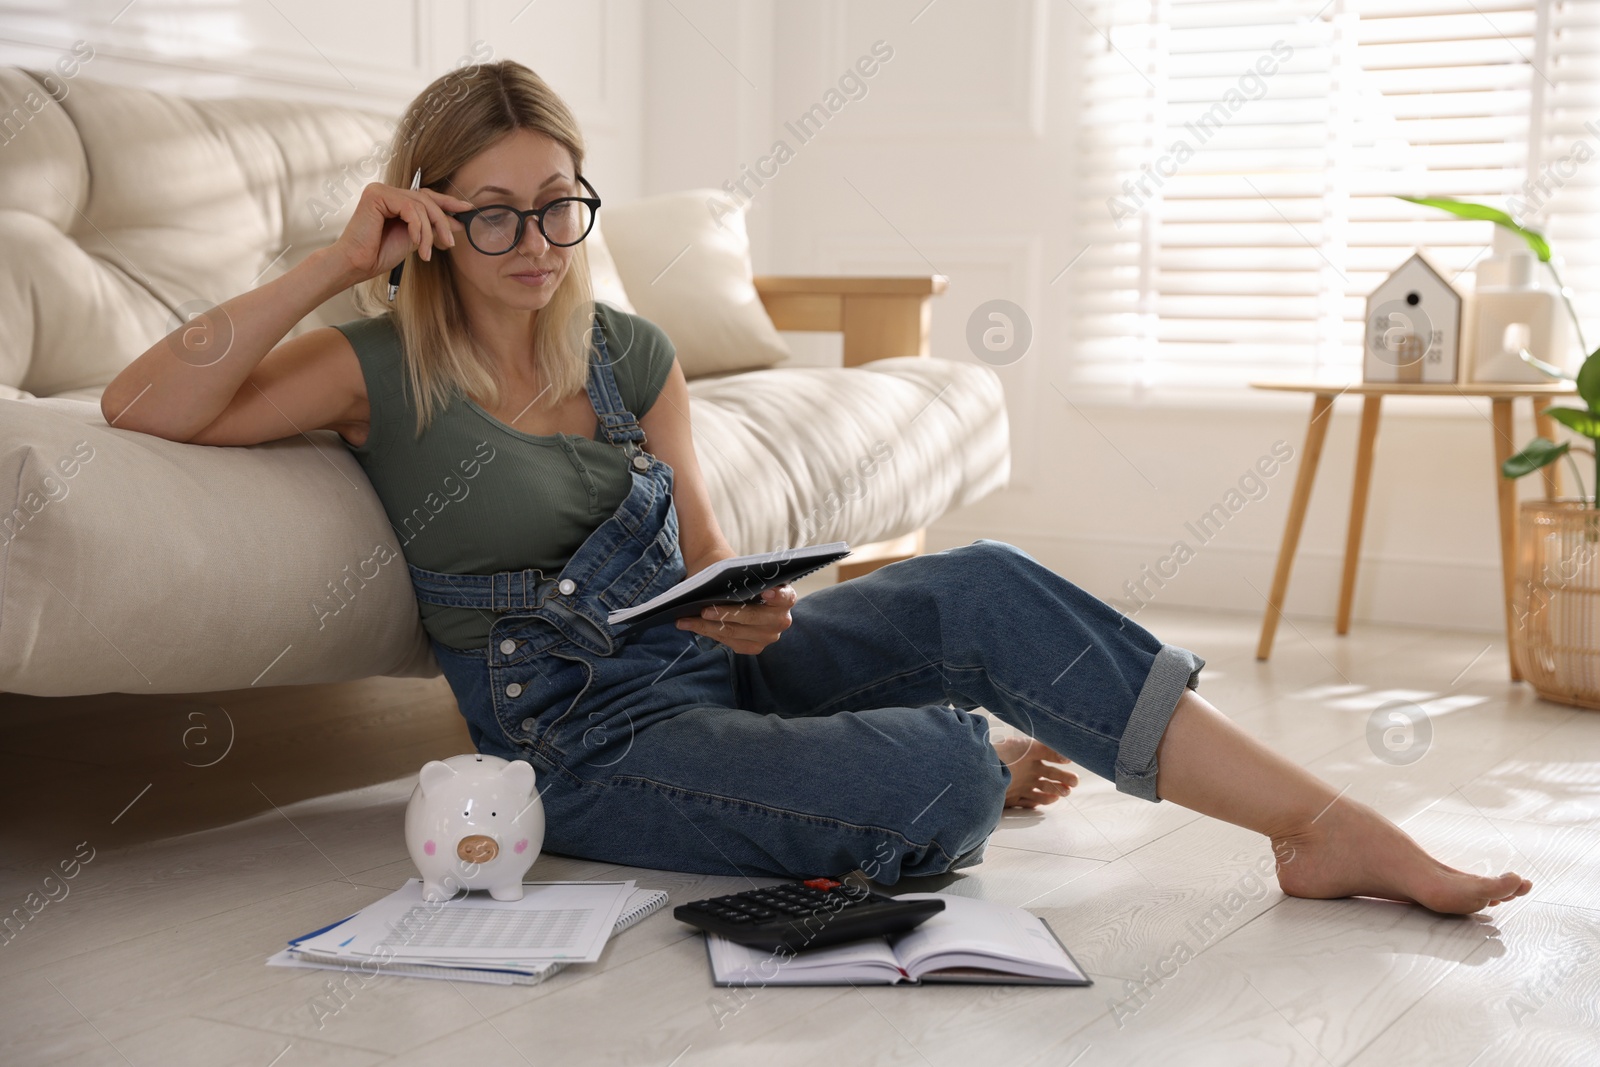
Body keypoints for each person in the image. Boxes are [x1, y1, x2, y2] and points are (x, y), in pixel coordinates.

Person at [101, 60, 1530, 915]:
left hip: (703, 679)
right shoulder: (369, 366)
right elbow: (141, 403)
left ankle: (1323, 830)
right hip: (581, 750)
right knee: (939, 778)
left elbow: (712, 564)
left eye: (559, 203)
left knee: (986, 582)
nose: (536, 240)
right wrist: (335, 263)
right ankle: (965, 753)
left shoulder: (632, 353)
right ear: (428, 218)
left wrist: (757, 617)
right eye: (491, 212)